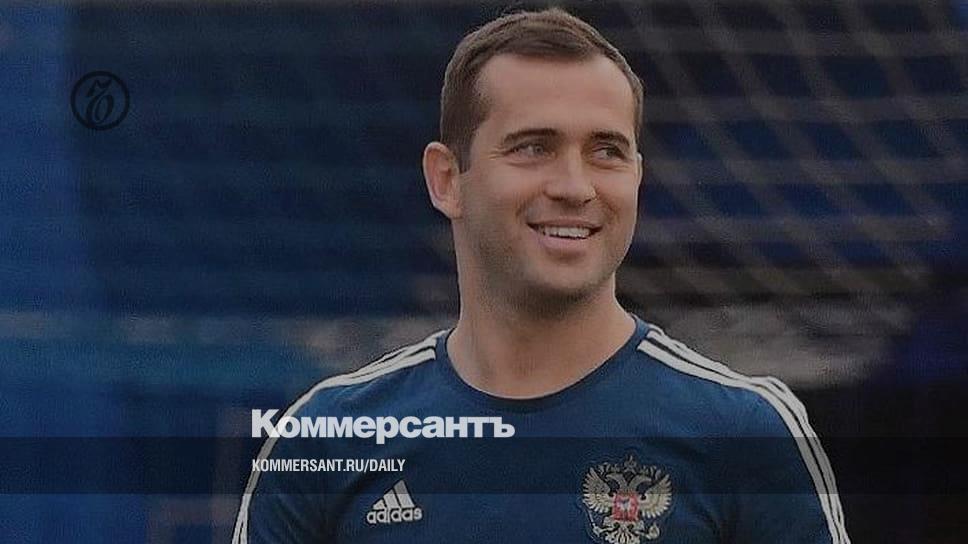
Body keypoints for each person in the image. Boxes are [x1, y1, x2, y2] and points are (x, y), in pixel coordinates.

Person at [233, 8, 850, 543]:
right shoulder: (326, 438)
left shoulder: (745, 433)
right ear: (446, 180)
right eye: (533, 147)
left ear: (637, 175)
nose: (574, 187)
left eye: (606, 151)